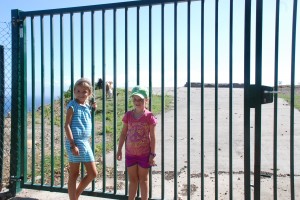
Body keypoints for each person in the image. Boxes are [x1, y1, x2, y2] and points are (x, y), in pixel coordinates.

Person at [116, 86, 157, 200]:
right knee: (132, 180)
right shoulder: (128, 115)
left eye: (140, 100)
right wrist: (119, 149)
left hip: (144, 154)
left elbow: (153, 137)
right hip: (130, 154)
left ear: (146, 100)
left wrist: (152, 154)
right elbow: (123, 133)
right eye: (135, 99)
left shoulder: (149, 116)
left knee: (143, 180)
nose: (137, 102)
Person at [64, 78, 98, 200]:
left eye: (84, 91)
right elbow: (67, 125)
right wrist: (73, 145)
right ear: (74, 91)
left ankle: (75, 195)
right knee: (74, 173)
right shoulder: (72, 105)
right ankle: (74, 198)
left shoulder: (87, 106)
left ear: (89, 93)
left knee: (93, 173)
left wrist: (93, 109)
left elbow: (86, 117)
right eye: (78, 91)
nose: (81, 94)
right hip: (74, 143)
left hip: (84, 143)